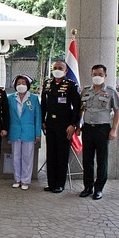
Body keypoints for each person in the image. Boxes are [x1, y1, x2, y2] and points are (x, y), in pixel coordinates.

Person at [79, 64, 119, 200]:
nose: (97, 77)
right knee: (87, 160)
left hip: (102, 129)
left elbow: (117, 111)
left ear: (105, 76)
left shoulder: (110, 91)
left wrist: (114, 129)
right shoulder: (85, 91)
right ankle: (88, 187)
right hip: (87, 129)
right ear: (91, 75)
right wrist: (79, 124)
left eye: (100, 74)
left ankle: (99, 189)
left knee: (102, 160)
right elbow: (81, 109)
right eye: (95, 74)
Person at [41, 60, 81, 193]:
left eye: (60, 68)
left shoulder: (71, 85)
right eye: (55, 67)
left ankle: (59, 184)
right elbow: (44, 105)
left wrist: (73, 125)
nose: (57, 69)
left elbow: (77, 107)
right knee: (51, 154)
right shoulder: (47, 84)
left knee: (62, 154)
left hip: (65, 125)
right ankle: (51, 183)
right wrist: (43, 121)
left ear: (65, 71)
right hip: (50, 123)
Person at [7, 75, 41, 190]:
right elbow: (7, 116)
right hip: (15, 131)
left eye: (23, 83)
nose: (21, 85)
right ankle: (17, 179)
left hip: (29, 132)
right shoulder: (10, 98)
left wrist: (38, 133)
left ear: (28, 85)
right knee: (16, 157)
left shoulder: (34, 98)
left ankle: (25, 180)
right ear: (15, 85)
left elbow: (38, 117)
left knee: (27, 157)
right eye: (18, 83)